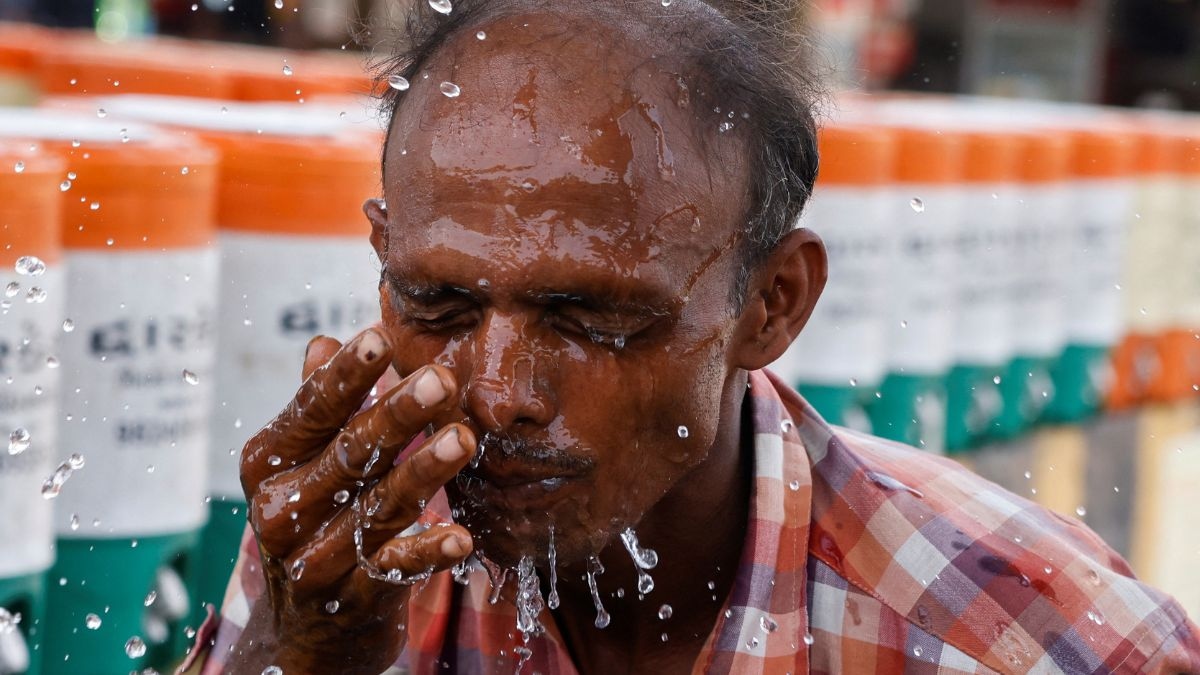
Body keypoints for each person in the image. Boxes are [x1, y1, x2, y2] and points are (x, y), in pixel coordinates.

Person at [185, 0, 1200, 673]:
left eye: (594, 318)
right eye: (438, 308)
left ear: (772, 304)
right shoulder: (346, 549)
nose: (495, 393)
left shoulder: (1022, 636)